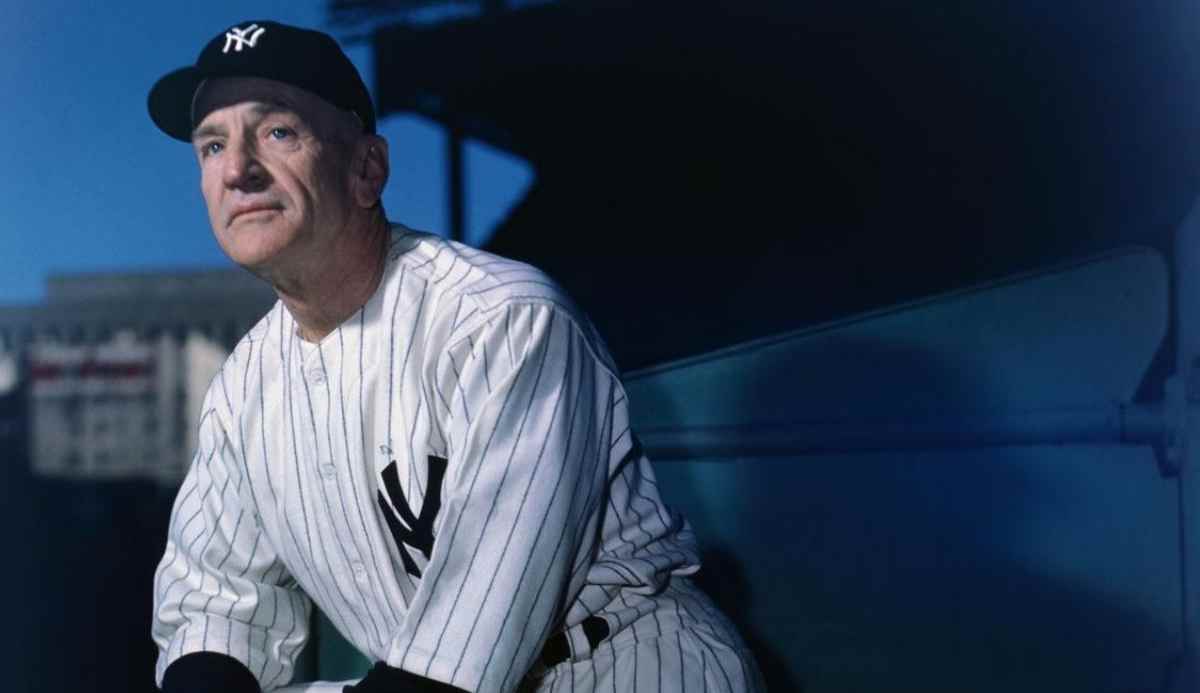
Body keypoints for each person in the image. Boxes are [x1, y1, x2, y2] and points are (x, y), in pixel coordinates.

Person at [147, 19, 763, 693]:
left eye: (278, 132)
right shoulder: (242, 388)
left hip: (613, 664)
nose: (237, 169)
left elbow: (463, 645)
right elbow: (214, 599)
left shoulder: (503, 320)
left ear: (366, 169)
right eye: (212, 145)